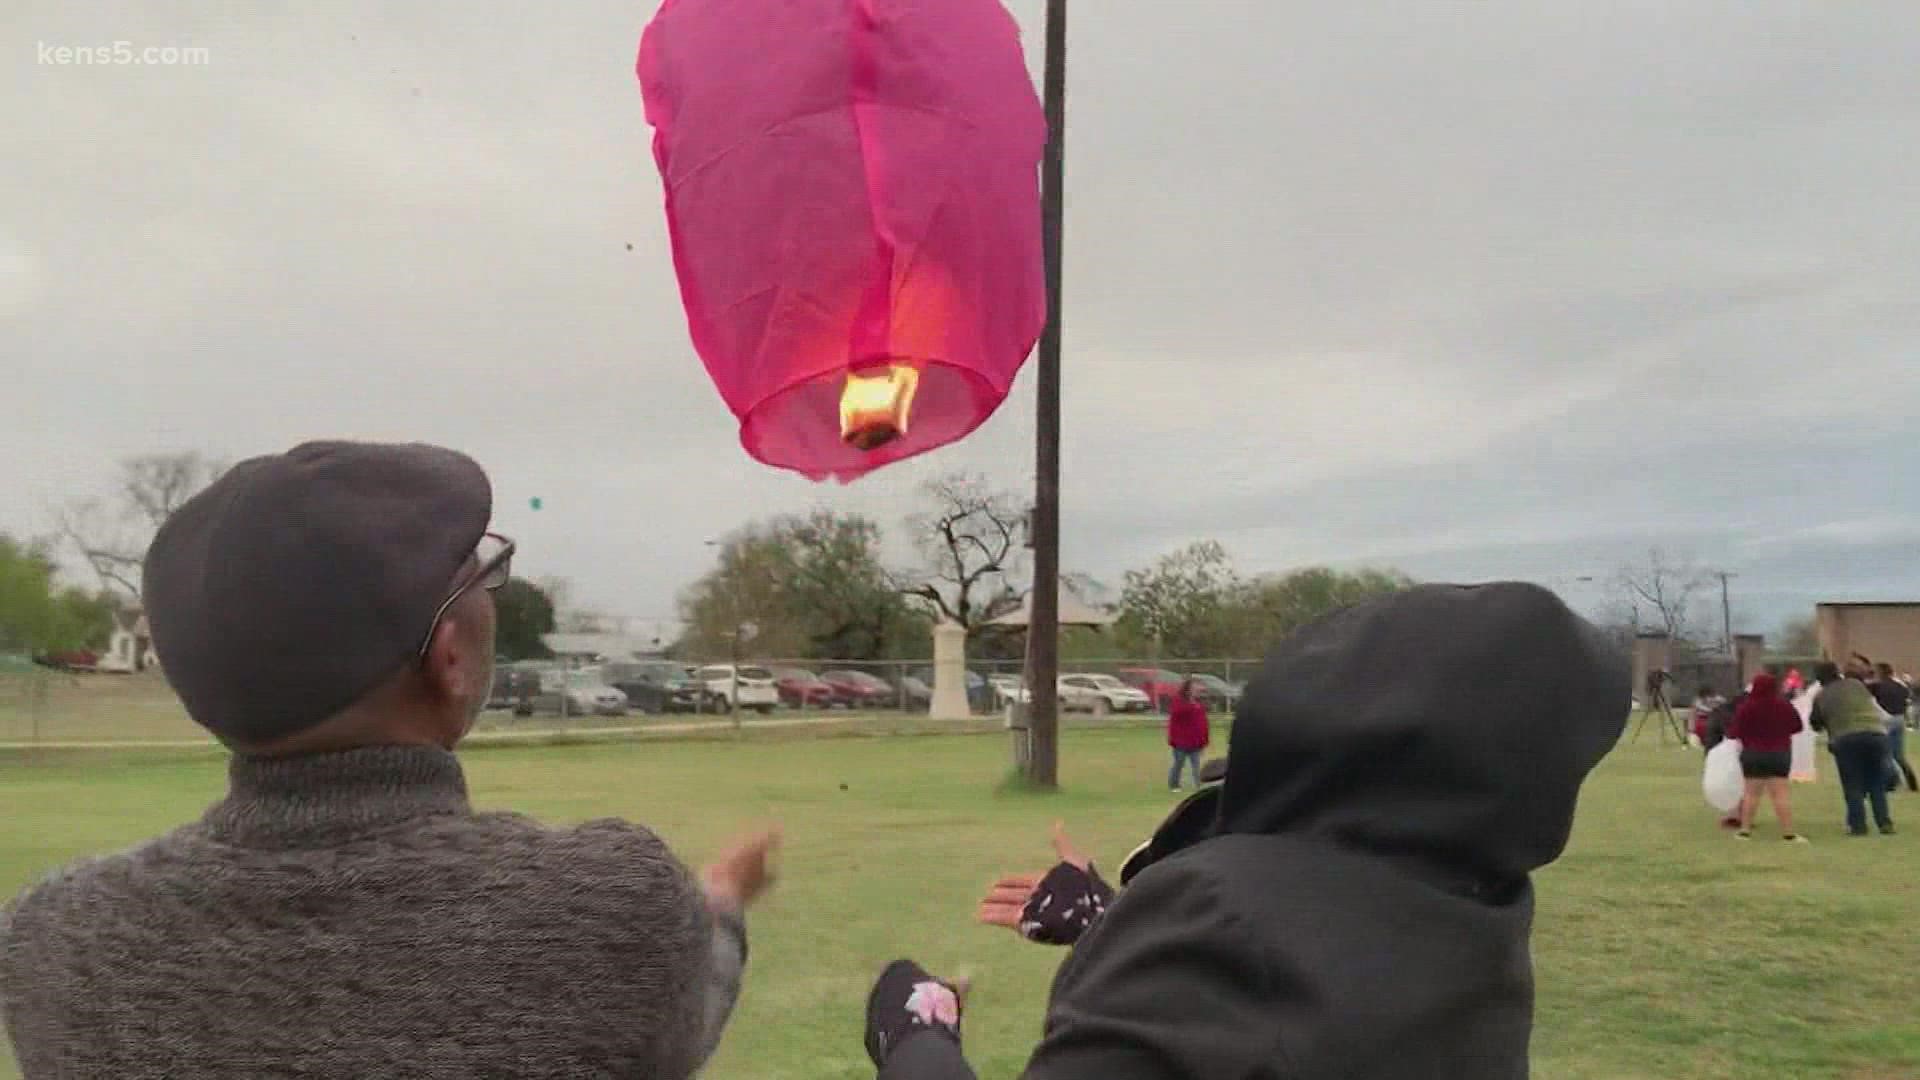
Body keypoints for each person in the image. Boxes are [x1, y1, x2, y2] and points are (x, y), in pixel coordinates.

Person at [0, 441, 778, 1077]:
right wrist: (720, 902)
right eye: (484, 573)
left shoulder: (53, 943)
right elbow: (671, 1010)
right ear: (446, 655)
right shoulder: (610, 903)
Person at [864, 582, 1626, 1079]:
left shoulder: (1220, 914)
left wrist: (917, 1035)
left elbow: (1255, 955)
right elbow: (1308, 982)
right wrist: (1119, 918)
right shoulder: (1474, 912)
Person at [1809, 659, 1894, 836]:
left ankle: (1858, 827)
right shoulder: (1856, 684)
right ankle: (1884, 823)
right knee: (1876, 783)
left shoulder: (1821, 696)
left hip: (1846, 739)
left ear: (1819, 679)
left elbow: (1815, 723)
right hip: (1876, 734)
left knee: (1852, 785)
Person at [1725, 672, 1807, 842]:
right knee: (1780, 795)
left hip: (1752, 754)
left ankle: (1745, 830)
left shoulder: (1746, 707)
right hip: (1779, 754)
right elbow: (1797, 727)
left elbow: (1733, 733)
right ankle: (1788, 833)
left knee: (1751, 794)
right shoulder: (1784, 705)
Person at [1868, 662, 1917, 792]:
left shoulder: (1877, 687)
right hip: (1900, 719)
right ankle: (1912, 782)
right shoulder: (1900, 687)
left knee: (1884, 753)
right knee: (1898, 754)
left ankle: (1891, 783)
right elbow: (1907, 698)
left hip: (1886, 719)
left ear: (1880, 673)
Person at [1165, 677, 1209, 790]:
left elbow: (1202, 722)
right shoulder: (1179, 700)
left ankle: (1199, 785)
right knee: (1179, 763)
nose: (1198, 690)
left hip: (1196, 741)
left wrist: (1204, 739)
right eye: (1195, 687)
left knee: (1196, 765)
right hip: (1181, 741)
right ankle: (1174, 784)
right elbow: (1176, 713)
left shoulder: (1199, 703)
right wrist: (1191, 705)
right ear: (1188, 689)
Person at [1691, 685, 1725, 751]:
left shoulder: (1718, 699)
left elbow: (1722, 705)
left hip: (1715, 720)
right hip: (1703, 721)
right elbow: (1696, 709)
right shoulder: (1698, 701)